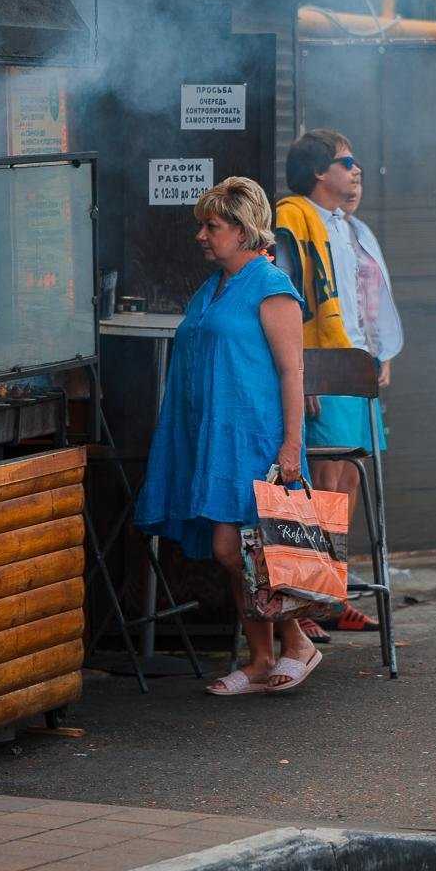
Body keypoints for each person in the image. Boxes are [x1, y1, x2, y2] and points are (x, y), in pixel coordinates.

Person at [135, 176, 322, 696]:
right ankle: (261, 657)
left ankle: (297, 644)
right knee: (231, 548)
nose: (201, 235)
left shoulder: (270, 286)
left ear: (243, 231)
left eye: (212, 226)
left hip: (256, 437)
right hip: (218, 437)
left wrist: (291, 445)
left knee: (252, 548)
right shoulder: (213, 286)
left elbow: (292, 372)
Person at [275, 130, 403, 636]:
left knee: (347, 483)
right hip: (320, 366)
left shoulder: (347, 226)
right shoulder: (293, 217)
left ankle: (331, 590)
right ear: (317, 172)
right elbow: (292, 299)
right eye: (346, 162)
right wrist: (301, 370)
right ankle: (305, 602)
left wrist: (377, 351)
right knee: (320, 485)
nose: (356, 170)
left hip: (352, 363)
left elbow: (362, 298)